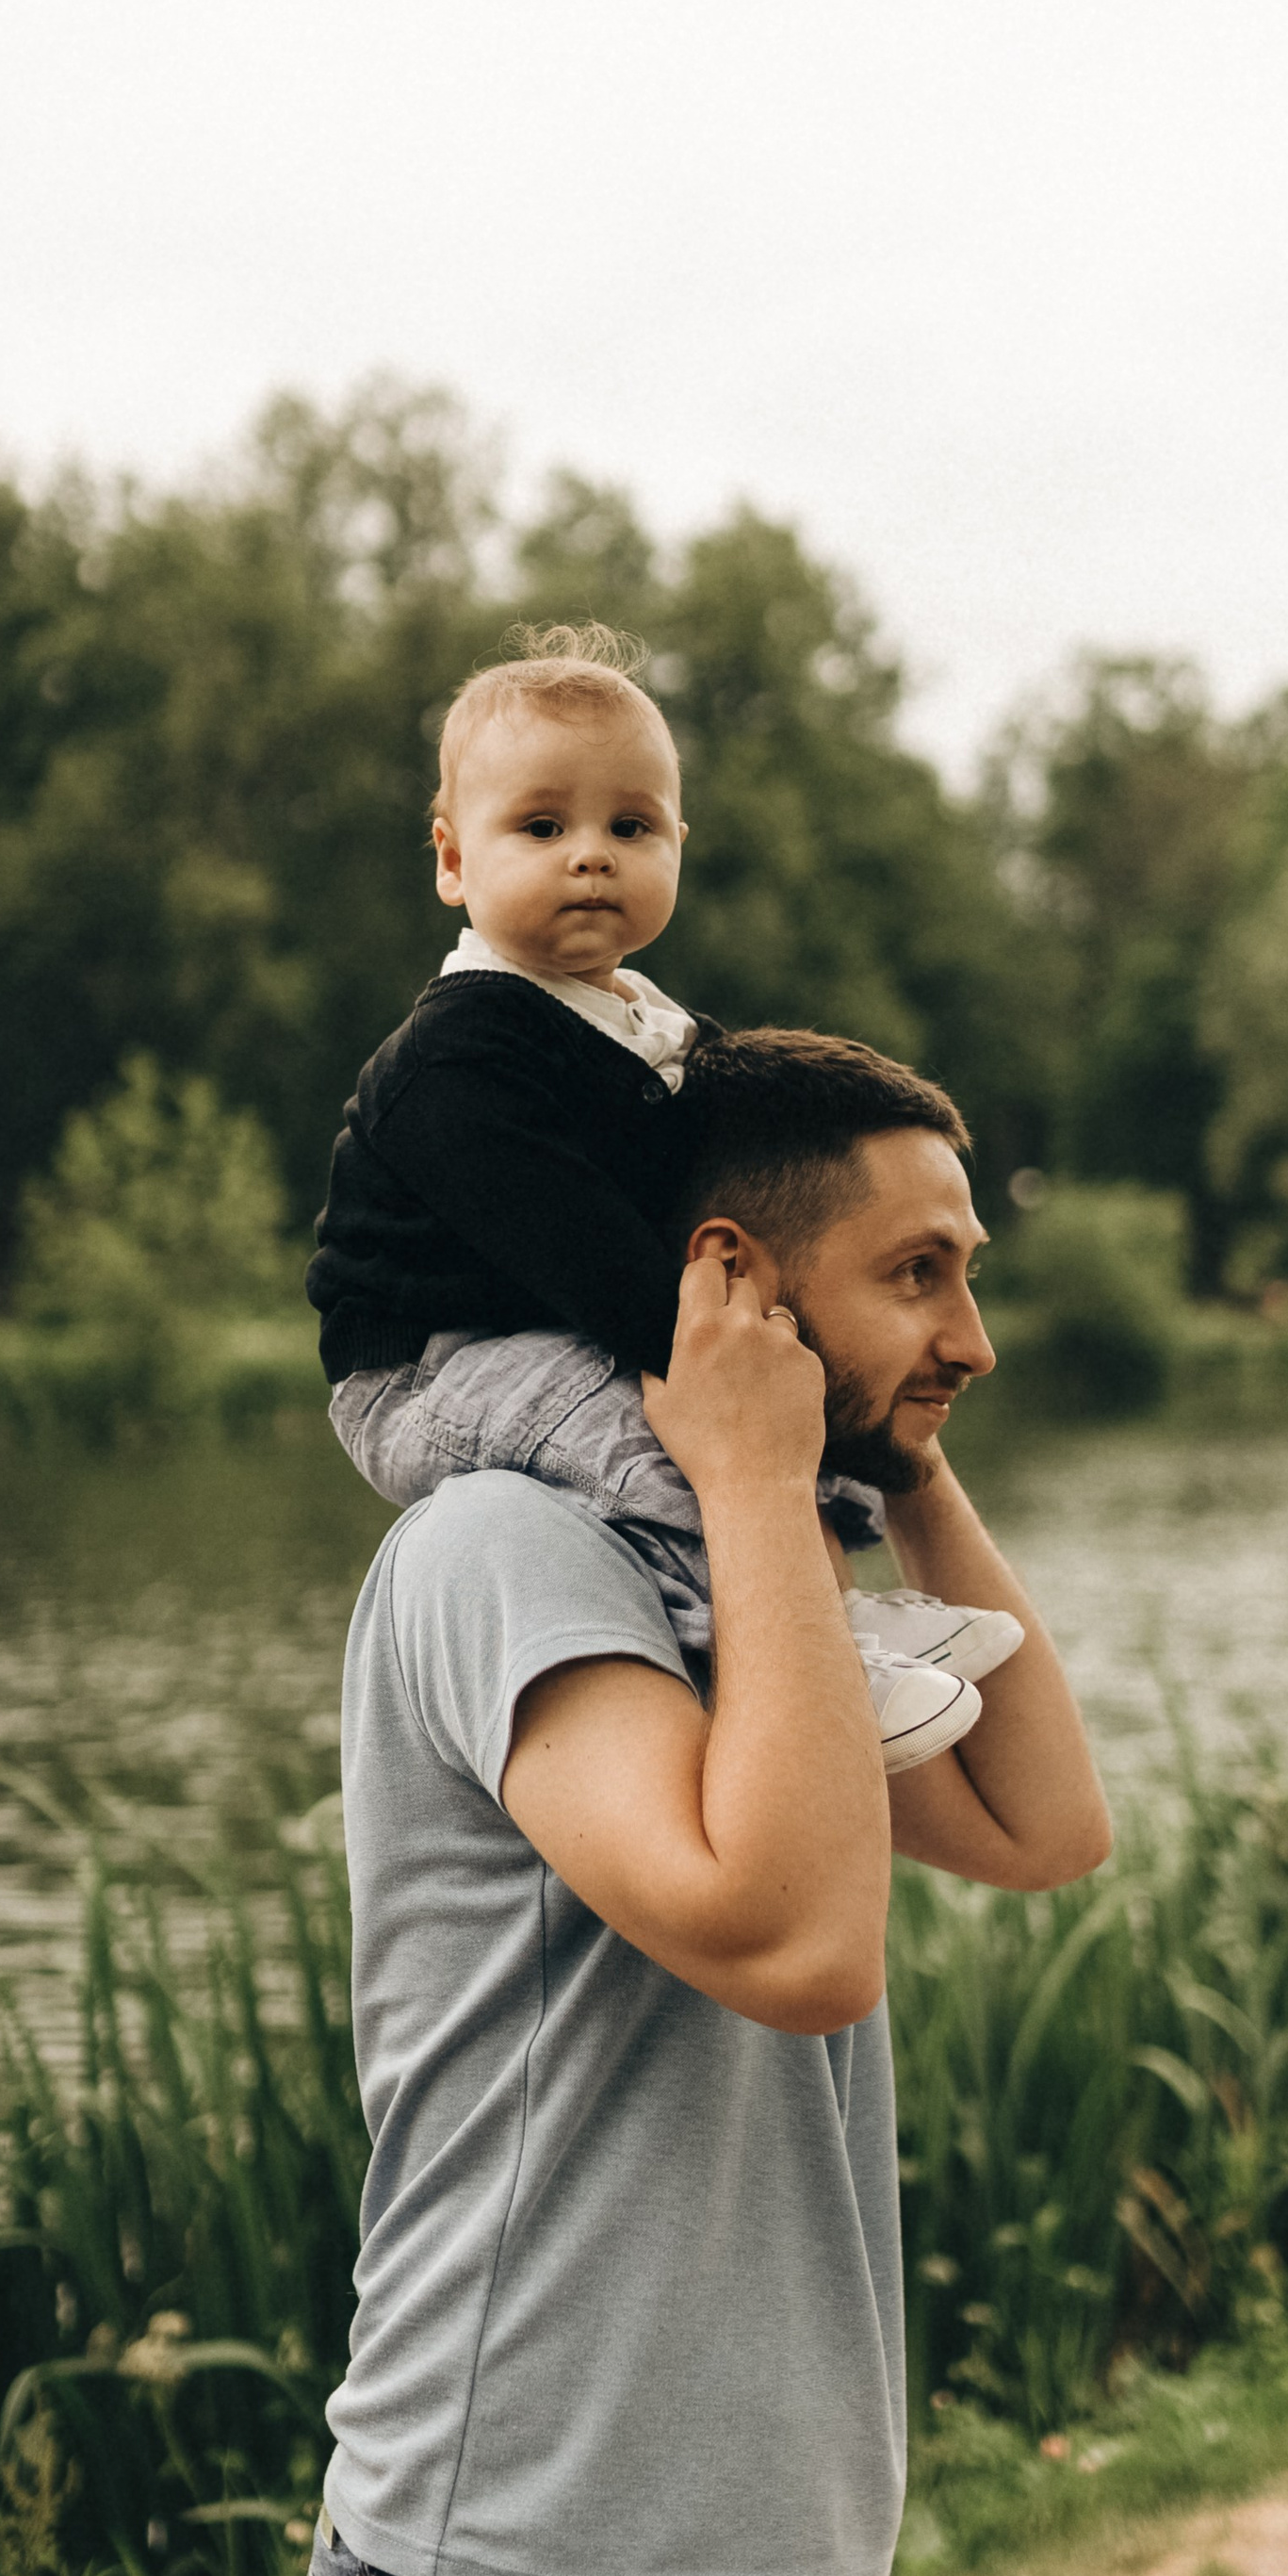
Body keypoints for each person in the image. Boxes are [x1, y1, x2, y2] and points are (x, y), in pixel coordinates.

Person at [305, 1026, 1112, 2576]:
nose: (976, 1331)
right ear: (738, 1281)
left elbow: (1040, 1828)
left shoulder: (744, 1578)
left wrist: (893, 1464)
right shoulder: (504, 1556)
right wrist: (761, 1477)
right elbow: (793, 1939)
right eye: (920, 1273)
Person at [305, 623, 1022, 1773]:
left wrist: (799, 1330)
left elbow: (735, 1153)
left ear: (678, 845)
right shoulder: (459, 1058)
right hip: (432, 1361)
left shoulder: (646, 1025)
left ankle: (831, 1602)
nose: (590, 854)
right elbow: (574, 1242)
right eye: (541, 827)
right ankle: (772, 1645)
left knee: (793, 1407)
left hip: (549, 1327)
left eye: (629, 827)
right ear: (451, 859)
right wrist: (713, 1358)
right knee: (657, 1447)